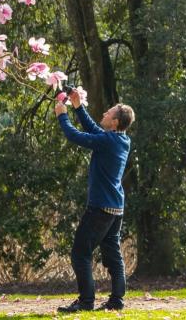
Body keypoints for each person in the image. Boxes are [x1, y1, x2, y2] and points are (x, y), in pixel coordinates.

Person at [54, 90, 134, 313]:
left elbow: (76, 136)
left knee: (80, 253)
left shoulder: (108, 141)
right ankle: (117, 301)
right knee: (112, 254)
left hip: (100, 208)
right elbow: (94, 130)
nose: (105, 113)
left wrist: (63, 115)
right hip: (115, 208)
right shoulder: (121, 140)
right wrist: (78, 107)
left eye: (109, 112)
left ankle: (86, 301)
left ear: (115, 121)